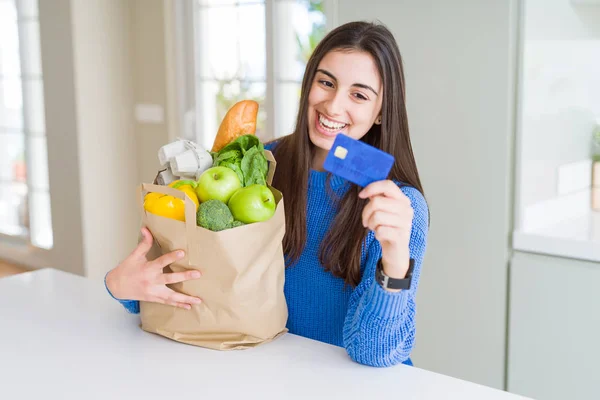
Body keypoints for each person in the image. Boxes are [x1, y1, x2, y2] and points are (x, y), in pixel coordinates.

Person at [105, 21, 429, 368]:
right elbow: (206, 281)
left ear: (381, 112)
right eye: (326, 82)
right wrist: (122, 288)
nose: (333, 106)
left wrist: (395, 261)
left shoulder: (397, 207)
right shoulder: (257, 165)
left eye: (359, 94)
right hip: (260, 372)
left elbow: (373, 353)